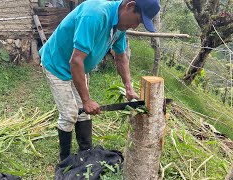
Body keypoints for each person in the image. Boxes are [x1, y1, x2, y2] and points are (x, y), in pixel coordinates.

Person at [39, 0, 160, 161]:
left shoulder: (119, 25)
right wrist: (87, 99)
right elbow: (75, 61)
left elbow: (121, 57)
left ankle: (85, 153)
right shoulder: (95, 15)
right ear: (129, 6)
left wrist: (129, 88)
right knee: (69, 114)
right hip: (57, 64)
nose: (135, 26)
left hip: (78, 68)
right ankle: (65, 160)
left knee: (83, 113)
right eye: (138, 20)